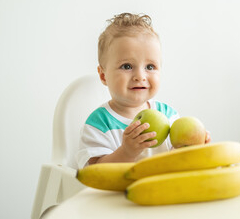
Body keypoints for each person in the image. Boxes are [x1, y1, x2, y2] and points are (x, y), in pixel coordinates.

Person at [76, 13, 210, 168]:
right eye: (127, 66)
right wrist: (126, 152)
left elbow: (175, 161)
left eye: (150, 67)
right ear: (103, 76)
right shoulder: (98, 124)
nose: (140, 76)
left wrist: (192, 148)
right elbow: (95, 172)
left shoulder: (168, 115)